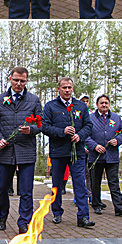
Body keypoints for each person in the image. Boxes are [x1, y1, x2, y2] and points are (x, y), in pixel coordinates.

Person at [0, 65, 42, 232]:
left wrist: (31, 130)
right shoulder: (0, 99)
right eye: (16, 80)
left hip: (26, 150)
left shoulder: (34, 100)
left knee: (26, 190)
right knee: (3, 187)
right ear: (10, 79)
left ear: (26, 81)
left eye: (22, 81)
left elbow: (41, 124)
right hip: (6, 150)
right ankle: (3, 216)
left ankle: (23, 222)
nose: (18, 83)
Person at [41, 77, 94, 228]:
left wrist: (80, 135)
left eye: (69, 87)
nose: (67, 90)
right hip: (58, 152)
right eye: (64, 87)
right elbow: (45, 127)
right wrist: (62, 131)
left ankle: (83, 216)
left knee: (80, 184)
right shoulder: (50, 106)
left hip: (76, 151)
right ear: (58, 89)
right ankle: (57, 212)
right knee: (57, 184)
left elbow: (88, 125)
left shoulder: (80, 106)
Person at [85, 94, 122, 217]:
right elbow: (85, 135)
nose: (104, 105)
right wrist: (94, 146)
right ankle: (97, 205)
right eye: (101, 103)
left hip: (112, 156)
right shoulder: (90, 118)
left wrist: (118, 140)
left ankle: (119, 207)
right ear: (97, 105)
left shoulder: (116, 118)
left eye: (106, 103)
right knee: (95, 182)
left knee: (114, 182)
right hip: (96, 157)